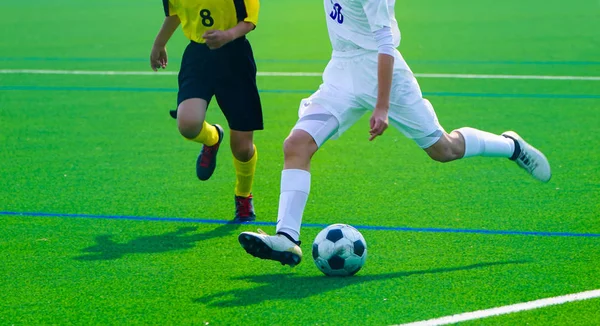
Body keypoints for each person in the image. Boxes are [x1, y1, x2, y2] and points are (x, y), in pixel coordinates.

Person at [238, 0, 551, 266]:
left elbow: (385, 44)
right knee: (296, 144)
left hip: (383, 75)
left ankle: (511, 146)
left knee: (444, 149)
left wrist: (382, 106)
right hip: (342, 73)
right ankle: (287, 237)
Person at [150, 0, 262, 221]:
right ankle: (212, 138)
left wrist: (228, 35)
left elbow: (249, 21)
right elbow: (175, 13)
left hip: (235, 58)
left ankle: (243, 195)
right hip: (198, 58)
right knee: (188, 125)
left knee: (242, 148)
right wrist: (159, 43)